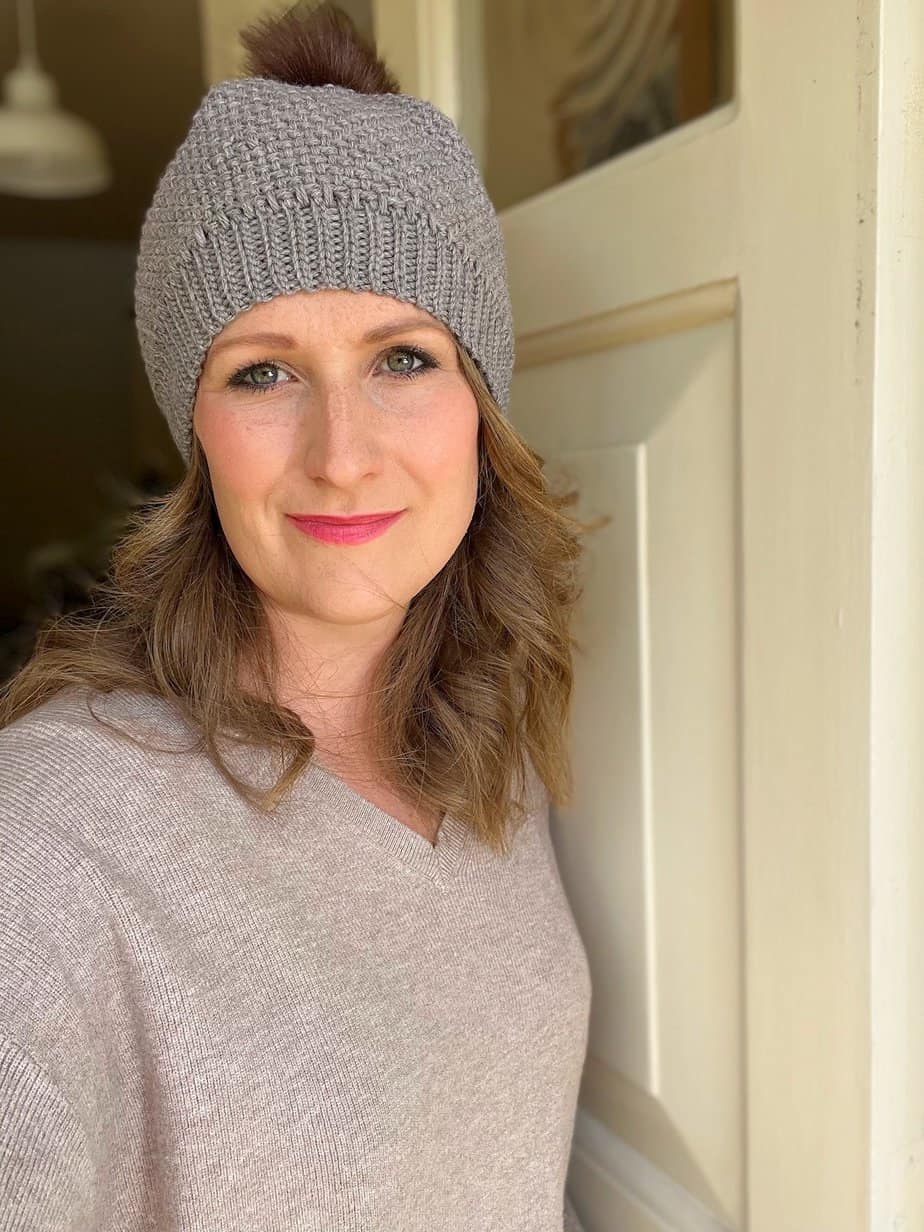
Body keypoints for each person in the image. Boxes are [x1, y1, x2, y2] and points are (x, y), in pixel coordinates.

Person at [0, 3, 601, 1228]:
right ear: (193, 430)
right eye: (263, 370)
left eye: (403, 358)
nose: (342, 456)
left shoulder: (482, 742)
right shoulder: (51, 842)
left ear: (482, 405)